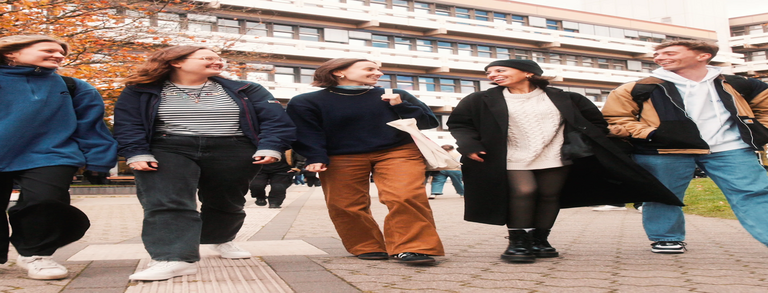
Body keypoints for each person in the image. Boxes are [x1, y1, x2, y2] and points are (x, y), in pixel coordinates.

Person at [447, 59, 682, 263]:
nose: (493, 75)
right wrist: (469, 145)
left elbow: (595, 123)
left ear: (528, 72)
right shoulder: (480, 99)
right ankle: (518, 242)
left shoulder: (566, 97)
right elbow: (460, 123)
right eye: (489, 72)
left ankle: (540, 240)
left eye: (500, 70)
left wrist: (587, 141)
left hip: (555, 154)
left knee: (550, 195)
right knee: (524, 191)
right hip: (509, 155)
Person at [113, 45, 295, 281]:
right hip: (168, 147)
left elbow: (275, 120)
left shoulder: (247, 89)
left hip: (233, 147)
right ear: (176, 62)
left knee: (226, 200)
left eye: (219, 58)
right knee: (167, 199)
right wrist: (136, 152)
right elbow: (128, 123)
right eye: (207, 58)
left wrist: (271, 146)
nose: (217, 61)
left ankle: (219, 239)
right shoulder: (140, 90)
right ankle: (172, 258)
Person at [602, 40, 768, 253]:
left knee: (754, 193)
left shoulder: (739, 84)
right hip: (664, 150)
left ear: (703, 56)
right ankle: (666, 238)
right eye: (658, 54)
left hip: (730, 148)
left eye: (669, 53)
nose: (660, 58)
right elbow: (615, 119)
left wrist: (760, 130)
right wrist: (651, 133)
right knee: (664, 194)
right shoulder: (638, 88)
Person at [286, 58, 444, 264]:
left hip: (397, 151)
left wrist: (401, 106)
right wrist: (315, 156)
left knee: (406, 195)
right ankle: (367, 245)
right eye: (370, 69)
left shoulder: (394, 94)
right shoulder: (305, 101)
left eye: (378, 69)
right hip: (340, 155)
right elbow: (306, 132)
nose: (378, 73)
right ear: (338, 72)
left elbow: (429, 122)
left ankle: (413, 247)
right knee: (345, 204)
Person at [0, 35, 117, 280]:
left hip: (51, 154)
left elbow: (91, 128)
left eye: (61, 52)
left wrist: (99, 162)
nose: (58, 55)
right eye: (49, 50)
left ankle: (36, 255)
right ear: (11, 53)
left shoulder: (75, 87)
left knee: (47, 201)